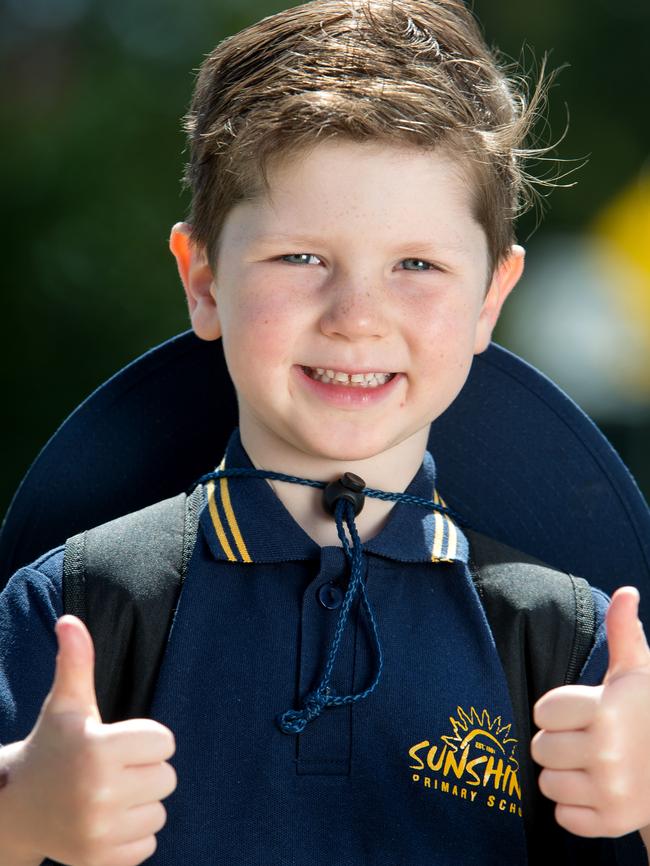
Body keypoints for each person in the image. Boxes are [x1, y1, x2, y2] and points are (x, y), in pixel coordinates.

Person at [1, 0, 650, 864]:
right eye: (301, 258)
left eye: (417, 265)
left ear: (491, 297)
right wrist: (20, 817)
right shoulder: (81, 603)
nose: (356, 317)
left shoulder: (568, 637)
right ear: (202, 280)